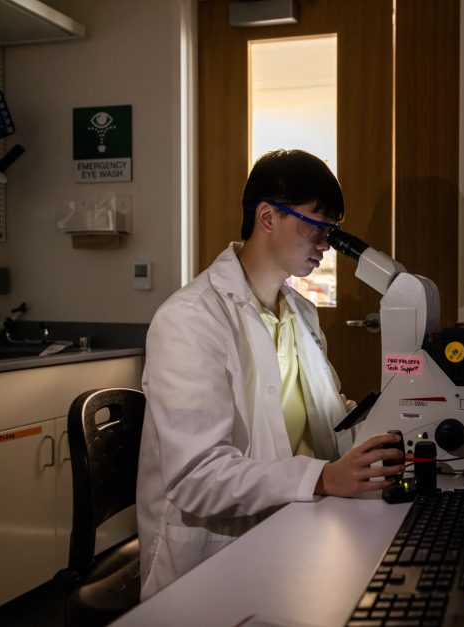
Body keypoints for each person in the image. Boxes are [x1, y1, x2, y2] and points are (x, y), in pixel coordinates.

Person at [136, 149, 402, 599]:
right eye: (316, 226)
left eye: (332, 231)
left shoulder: (299, 311)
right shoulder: (189, 318)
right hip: (217, 555)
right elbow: (197, 477)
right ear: (267, 216)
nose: (324, 244)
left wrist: (390, 428)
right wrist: (321, 478)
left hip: (297, 523)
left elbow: (329, 415)